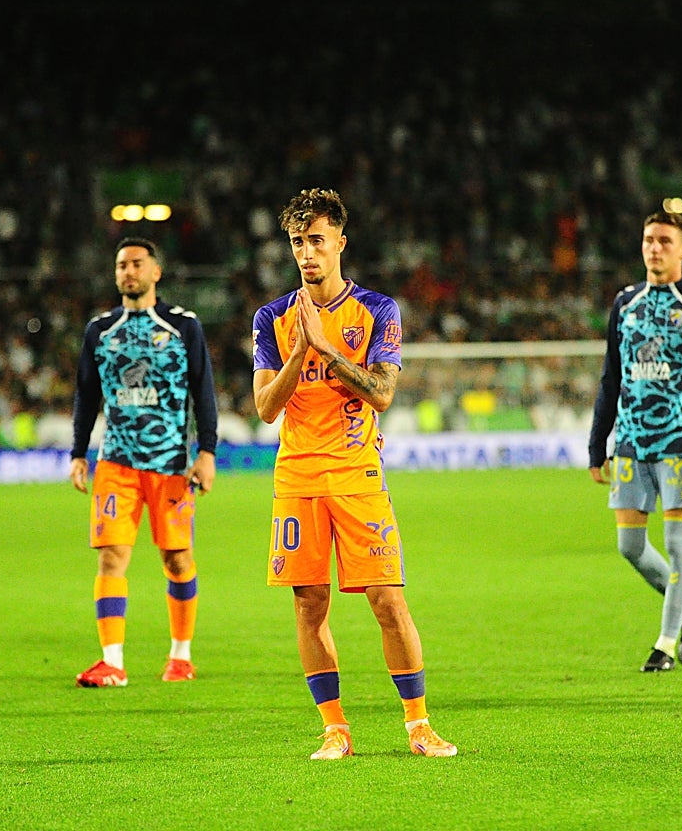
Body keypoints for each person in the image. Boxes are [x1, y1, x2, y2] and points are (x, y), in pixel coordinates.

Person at [252, 188, 457, 759]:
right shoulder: (272, 318)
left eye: (316, 240)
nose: (307, 253)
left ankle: (418, 724)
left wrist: (327, 350)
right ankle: (335, 729)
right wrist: (300, 352)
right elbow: (265, 407)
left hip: (357, 473)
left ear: (341, 242)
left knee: (388, 601)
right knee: (309, 605)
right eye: (298, 242)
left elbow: (383, 393)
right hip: (297, 479)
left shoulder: (377, 310)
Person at [70, 236, 218, 688]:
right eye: (121, 265)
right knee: (111, 557)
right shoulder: (100, 330)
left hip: (170, 463)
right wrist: (78, 452)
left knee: (177, 559)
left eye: (136, 263)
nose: (128, 271)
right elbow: (86, 395)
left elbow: (203, 390)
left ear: (156, 272)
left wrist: (207, 452)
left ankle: (181, 656)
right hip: (115, 461)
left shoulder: (182, 325)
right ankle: (112, 663)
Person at [588, 210, 682, 673]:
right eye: (649, 239)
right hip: (630, 443)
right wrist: (597, 444)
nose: (655, 248)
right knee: (629, 546)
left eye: (665, 241)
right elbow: (611, 378)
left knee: (678, 545)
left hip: (678, 445)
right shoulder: (625, 303)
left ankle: (665, 645)